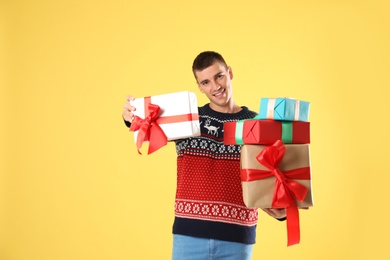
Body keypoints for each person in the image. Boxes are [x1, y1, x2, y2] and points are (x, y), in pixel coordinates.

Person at [123, 51, 286, 260]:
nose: (215, 87)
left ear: (230, 72)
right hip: (189, 236)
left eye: (219, 76)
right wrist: (130, 115)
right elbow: (144, 126)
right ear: (199, 87)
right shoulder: (187, 118)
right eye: (206, 82)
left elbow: (271, 177)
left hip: (238, 236)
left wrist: (283, 211)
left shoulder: (257, 123)